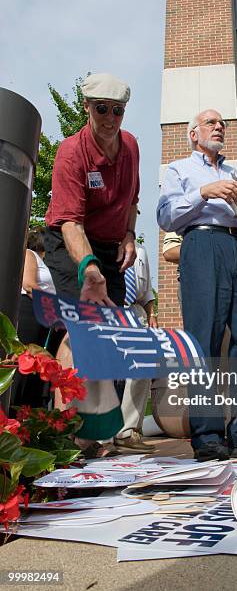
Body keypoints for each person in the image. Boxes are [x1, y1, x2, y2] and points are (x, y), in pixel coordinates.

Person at [157, 108, 237, 462]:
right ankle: (208, 435)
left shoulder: (234, 172)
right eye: (211, 123)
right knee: (204, 340)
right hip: (201, 243)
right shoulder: (179, 168)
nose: (219, 127)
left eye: (222, 124)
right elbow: (166, 215)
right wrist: (204, 192)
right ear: (193, 134)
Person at [44, 73, 140, 457]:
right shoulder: (71, 152)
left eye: (117, 110)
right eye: (102, 109)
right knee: (78, 332)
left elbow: (132, 198)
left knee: (110, 335)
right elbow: (70, 222)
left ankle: (96, 438)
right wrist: (88, 267)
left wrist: (130, 235)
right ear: (87, 107)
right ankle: (64, 439)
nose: (110, 118)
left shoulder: (131, 146)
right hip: (70, 242)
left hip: (110, 246)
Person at [114, 242, 157, 453]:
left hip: (136, 313)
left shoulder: (140, 250)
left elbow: (146, 289)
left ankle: (128, 432)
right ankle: (100, 436)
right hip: (110, 307)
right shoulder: (100, 242)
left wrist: (152, 314)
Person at [12, 229, 56, 408]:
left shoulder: (48, 263)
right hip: (30, 311)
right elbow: (29, 284)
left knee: (38, 367)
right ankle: (14, 407)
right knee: (25, 362)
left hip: (43, 317)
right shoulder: (30, 254)